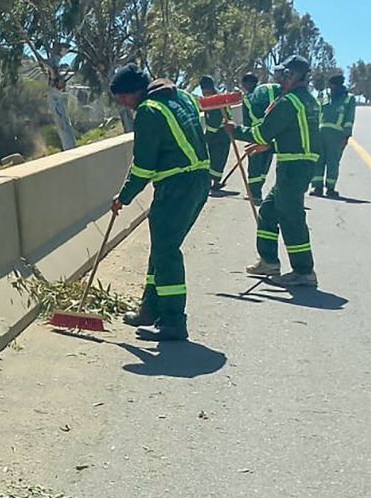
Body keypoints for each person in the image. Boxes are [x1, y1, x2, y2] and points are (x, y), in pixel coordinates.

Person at [110, 64, 210, 341]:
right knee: (162, 247)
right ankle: (149, 310)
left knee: (166, 252)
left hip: (178, 186)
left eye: (123, 97)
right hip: (197, 181)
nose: (123, 104)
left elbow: (143, 166)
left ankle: (173, 321)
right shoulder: (182, 97)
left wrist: (124, 196)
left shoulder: (149, 111)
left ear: (135, 92)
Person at [229, 55, 321, 287]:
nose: (279, 80)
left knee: (291, 217)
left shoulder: (289, 102)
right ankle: (269, 261)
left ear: (293, 76)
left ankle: (304, 271)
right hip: (298, 163)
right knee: (269, 210)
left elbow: (263, 131)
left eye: (284, 75)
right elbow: (297, 132)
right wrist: (270, 145)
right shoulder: (308, 100)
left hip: (294, 166)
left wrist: (236, 130)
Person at [311, 73, 356, 198]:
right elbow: (315, 113)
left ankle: (330, 188)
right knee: (318, 160)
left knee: (333, 162)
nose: (332, 88)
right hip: (320, 133)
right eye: (330, 85)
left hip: (337, 135)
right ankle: (317, 187)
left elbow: (349, 118)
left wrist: (346, 136)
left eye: (334, 85)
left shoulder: (348, 98)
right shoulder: (323, 96)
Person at [240, 72, 281, 203]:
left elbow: (247, 120)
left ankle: (254, 193)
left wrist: (248, 136)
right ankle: (257, 190)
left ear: (247, 84)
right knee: (265, 163)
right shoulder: (269, 90)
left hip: (257, 134)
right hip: (272, 133)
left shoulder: (248, 98)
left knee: (255, 165)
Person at [200, 75, 231, 190]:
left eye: (206, 90)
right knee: (212, 158)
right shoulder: (212, 98)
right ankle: (211, 182)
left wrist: (207, 137)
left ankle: (215, 182)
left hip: (221, 134)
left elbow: (215, 121)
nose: (204, 93)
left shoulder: (216, 99)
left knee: (218, 158)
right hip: (218, 133)